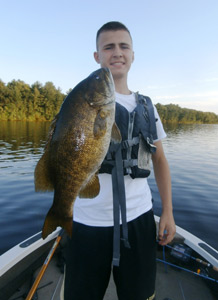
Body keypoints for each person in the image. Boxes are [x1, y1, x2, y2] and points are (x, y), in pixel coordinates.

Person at [62, 21, 176, 300]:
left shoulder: (148, 107)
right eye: (108, 47)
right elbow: (63, 152)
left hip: (138, 220)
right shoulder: (79, 102)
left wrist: (169, 212)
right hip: (87, 223)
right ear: (97, 57)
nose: (117, 52)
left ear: (133, 54)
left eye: (124, 46)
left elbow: (160, 161)